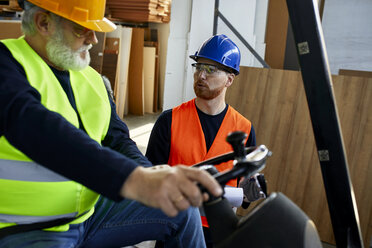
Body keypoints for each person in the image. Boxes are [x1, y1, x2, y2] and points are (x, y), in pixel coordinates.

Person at [0, 0, 223, 247]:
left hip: (91, 214)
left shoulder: (93, 80)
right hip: (30, 226)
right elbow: (36, 127)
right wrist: (134, 180)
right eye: (81, 28)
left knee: (182, 210)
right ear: (43, 23)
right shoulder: (7, 65)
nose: (93, 39)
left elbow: (118, 140)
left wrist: (151, 177)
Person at [146, 34, 265, 248]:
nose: (201, 75)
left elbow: (244, 191)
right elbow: (150, 176)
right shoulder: (169, 120)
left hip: (220, 229)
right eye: (199, 66)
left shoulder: (244, 128)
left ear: (229, 79)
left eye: (211, 70)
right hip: (175, 225)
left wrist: (250, 192)